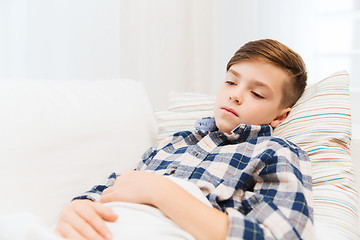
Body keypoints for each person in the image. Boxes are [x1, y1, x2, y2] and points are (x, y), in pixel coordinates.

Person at [54, 39, 313, 240]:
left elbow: (282, 234)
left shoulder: (277, 152)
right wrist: (79, 206)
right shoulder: (174, 143)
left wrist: (163, 192)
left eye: (256, 93)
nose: (235, 95)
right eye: (231, 82)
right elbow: (121, 184)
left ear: (280, 116)